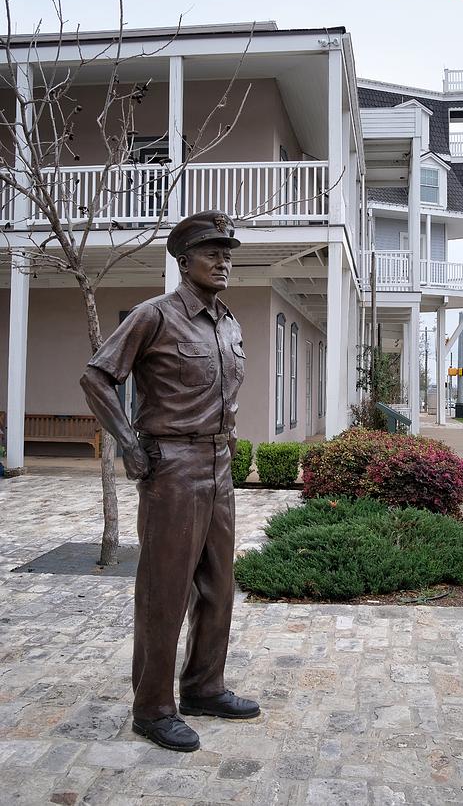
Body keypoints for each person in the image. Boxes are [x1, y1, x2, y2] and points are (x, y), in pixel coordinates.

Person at [80, 211, 259, 753]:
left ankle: (204, 686)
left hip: (219, 465)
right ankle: (153, 707)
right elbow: (97, 376)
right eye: (211, 252)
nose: (223, 260)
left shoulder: (229, 323)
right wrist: (128, 446)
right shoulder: (153, 316)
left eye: (227, 252)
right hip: (172, 467)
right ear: (184, 262)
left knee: (218, 585)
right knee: (165, 591)